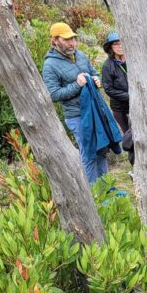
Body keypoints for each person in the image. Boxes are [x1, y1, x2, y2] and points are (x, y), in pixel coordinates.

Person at [41, 22, 107, 183]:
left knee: (102, 149)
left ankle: (107, 190)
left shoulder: (80, 55)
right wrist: (77, 85)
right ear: (55, 40)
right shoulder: (50, 65)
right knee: (89, 154)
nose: (72, 43)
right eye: (67, 39)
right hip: (77, 116)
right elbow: (53, 94)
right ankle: (94, 195)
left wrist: (97, 79)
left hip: (95, 111)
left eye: (73, 39)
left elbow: (93, 72)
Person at [101, 32, 130, 135]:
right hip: (120, 108)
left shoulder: (132, 60)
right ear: (110, 47)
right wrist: (129, 96)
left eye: (122, 42)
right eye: (116, 44)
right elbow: (108, 89)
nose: (120, 46)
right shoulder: (107, 66)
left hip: (136, 104)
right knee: (128, 135)